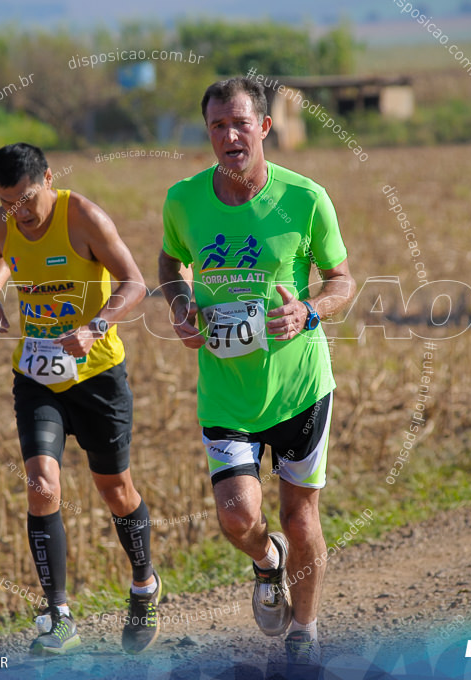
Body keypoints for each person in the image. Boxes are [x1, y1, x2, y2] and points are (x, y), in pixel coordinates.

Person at [157, 77, 356, 668]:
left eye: (240, 123)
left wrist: (309, 309)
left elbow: (343, 280)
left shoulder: (306, 198)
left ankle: (305, 631)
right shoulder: (184, 200)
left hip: (299, 389)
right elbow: (170, 260)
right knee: (237, 516)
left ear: (264, 128)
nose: (229, 136)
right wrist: (178, 302)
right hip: (226, 391)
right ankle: (267, 564)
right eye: (218, 126)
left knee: (300, 518)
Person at [0, 143, 161, 656]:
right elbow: (0, 253)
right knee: (41, 484)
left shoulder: (82, 216)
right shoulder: (0, 222)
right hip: (36, 374)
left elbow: (135, 282)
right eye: (7, 200)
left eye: (28, 197)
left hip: (98, 373)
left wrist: (95, 325)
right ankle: (59, 614)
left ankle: (144, 586)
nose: (20, 211)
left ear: (49, 179)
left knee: (115, 491)